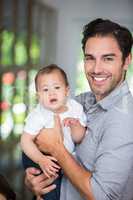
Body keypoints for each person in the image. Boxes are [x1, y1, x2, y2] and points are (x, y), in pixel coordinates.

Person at [24, 18, 133, 200]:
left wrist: (57, 148)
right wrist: (33, 180)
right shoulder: (82, 101)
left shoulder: (125, 118)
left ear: (126, 61)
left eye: (108, 58)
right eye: (90, 58)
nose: (97, 69)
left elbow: (102, 196)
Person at [21, 64, 86, 200]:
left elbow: (79, 138)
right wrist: (41, 159)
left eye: (57, 87)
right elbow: (25, 141)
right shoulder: (39, 114)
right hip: (39, 155)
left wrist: (75, 125)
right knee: (50, 188)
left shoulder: (75, 108)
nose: (52, 93)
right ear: (38, 95)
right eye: (45, 90)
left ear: (67, 91)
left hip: (64, 156)